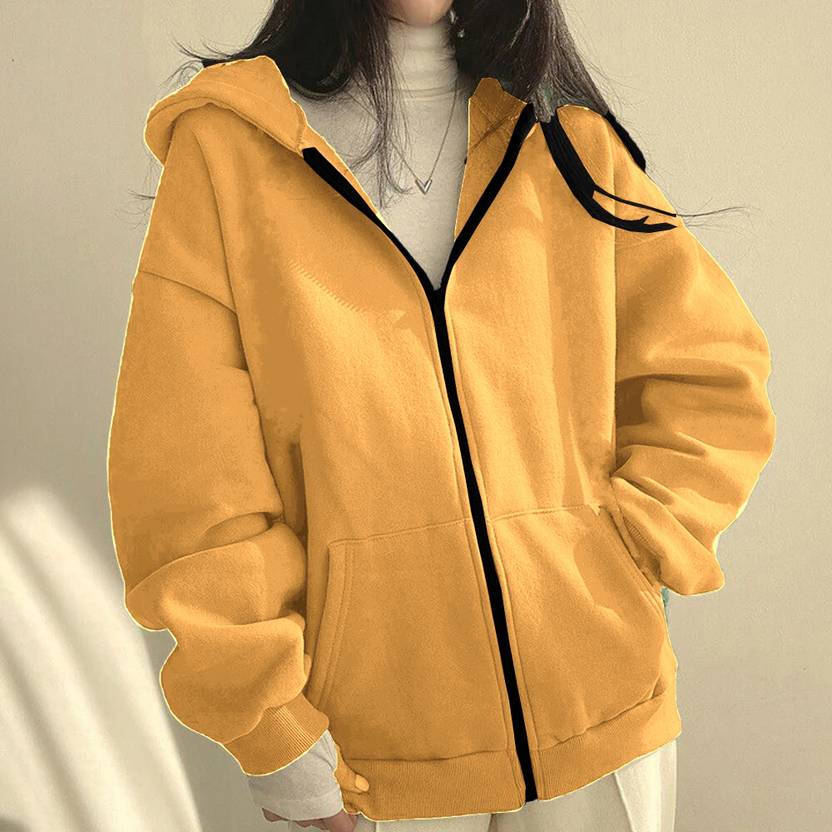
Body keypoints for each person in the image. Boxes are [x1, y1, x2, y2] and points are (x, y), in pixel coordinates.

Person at [107, 1, 776, 831]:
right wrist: (269, 725)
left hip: (603, 720)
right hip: (367, 760)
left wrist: (627, 553)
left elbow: (710, 378)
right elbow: (187, 478)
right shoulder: (229, 149)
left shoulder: (563, 139)